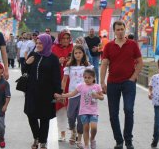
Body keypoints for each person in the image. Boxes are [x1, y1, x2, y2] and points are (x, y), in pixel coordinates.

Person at [100, 20, 143, 149]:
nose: (119, 31)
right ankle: (119, 141)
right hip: (112, 83)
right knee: (113, 114)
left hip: (128, 83)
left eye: (121, 29)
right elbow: (104, 64)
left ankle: (128, 140)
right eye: (117, 29)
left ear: (125, 29)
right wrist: (102, 82)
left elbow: (140, 62)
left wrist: (133, 78)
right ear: (114, 31)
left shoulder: (132, 45)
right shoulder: (108, 46)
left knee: (129, 110)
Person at [24, 34, 62, 149]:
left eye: (41, 43)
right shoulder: (33, 55)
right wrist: (26, 63)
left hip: (46, 92)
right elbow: (24, 71)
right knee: (31, 115)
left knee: (44, 118)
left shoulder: (53, 58)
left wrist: (57, 91)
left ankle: (43, 141)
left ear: (46, 44)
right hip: (31, 91)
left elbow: (56, 77)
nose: (38, 45)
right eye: (37, 43)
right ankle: (36, 137)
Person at [60, 69, 104, 149]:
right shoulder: (81, 86)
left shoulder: (97, 86)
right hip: (83, 112)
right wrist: (62, 95)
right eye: (85, 77)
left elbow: (102, 97)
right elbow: (72, 94)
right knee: (86, 129)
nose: (87, 79)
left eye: (89, 78)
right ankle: (86, 145)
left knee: (94, 128)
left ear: (93, 78)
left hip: (93, 111)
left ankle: (92, 139)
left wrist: (97, 96)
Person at [62, 45, 94, 148]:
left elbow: (93, 80)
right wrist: (62, 93)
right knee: (70, 115)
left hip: (84, 95)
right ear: (73, 54)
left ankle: (79, 139)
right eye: (76, 53)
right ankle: (73, 131)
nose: (78, 55)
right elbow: (64, 80)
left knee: (81, 118)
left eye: (80, 53)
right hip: (72, 94)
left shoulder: (87, 65)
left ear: (83, 54)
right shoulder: (69, 66)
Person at [52, 29, 73, 141]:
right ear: (59, 38)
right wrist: (58, 61)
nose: (65, 40)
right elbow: (50, 62)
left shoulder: (74, 48)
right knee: (61, 109)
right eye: (63, 38)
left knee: (73, 108)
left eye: (67, 38)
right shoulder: (54, 48)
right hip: (59, 80)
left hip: (72, 82)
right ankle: (62, 133)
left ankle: (73, 133)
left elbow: (82, 60)